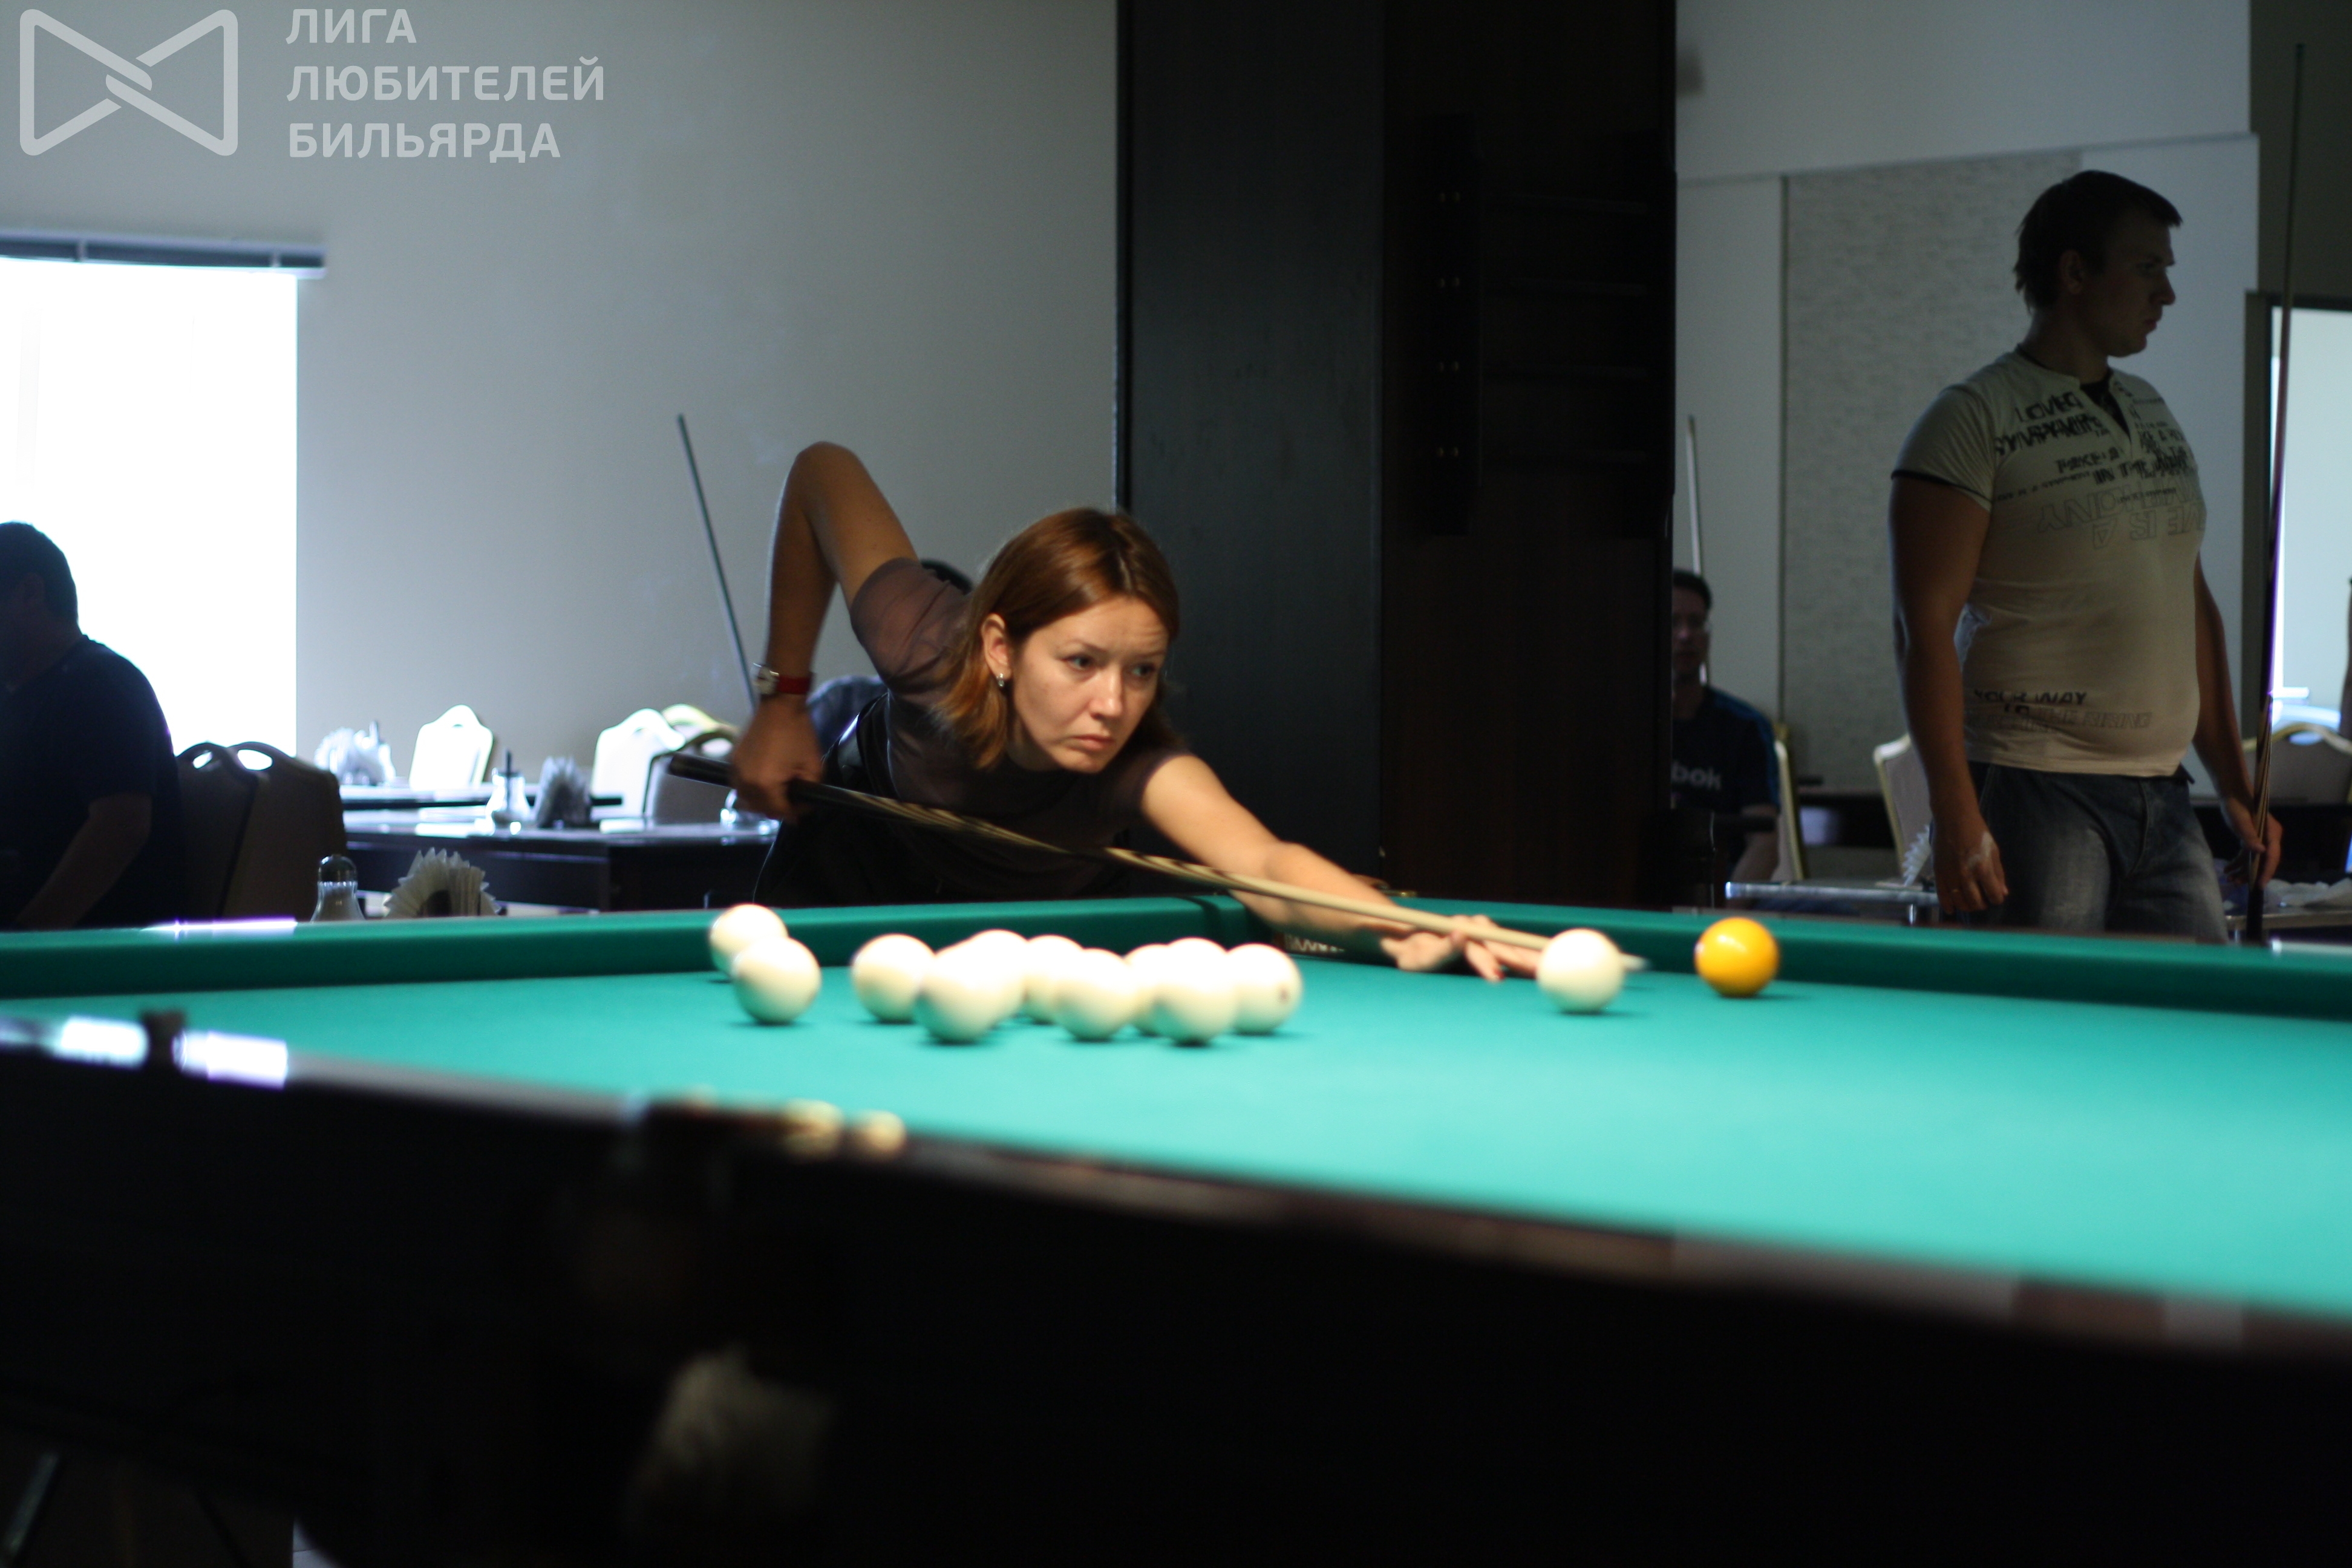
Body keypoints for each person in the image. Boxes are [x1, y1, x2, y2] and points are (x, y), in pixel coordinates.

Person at [730, 442, 1533, 978]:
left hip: (1032, 939)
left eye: (1142, 670)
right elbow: (822, 471)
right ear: (1001, 648)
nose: (1113, 705)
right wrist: (783, 702)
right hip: (854, 875)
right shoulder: (925, 640)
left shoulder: (1135, 767)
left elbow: (1263, 863)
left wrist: (1400, 927)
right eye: (1081, 663)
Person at [1887, 171, 2279, 939]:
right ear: (2074, 273)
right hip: (2036, 786)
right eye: (2147, 268)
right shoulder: (1971, 418)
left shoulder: (2152, 409)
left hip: (2163, 795)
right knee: (2042, 1013)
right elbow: (1921, 628)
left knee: (2189, 1009)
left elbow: (2188, 602)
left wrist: (2235, 784)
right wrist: (1955, 810)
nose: (2167, 293)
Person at [0, 522, 186, 929]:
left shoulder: (100, 686)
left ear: (30, 593)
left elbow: (122, 825)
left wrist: (26, 943)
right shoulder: (20, 695)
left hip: (87, 953)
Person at [1670, 569, 1778, 884]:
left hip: (1723, 891)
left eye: (1696, 622)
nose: (1686, 635)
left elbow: (1764, 846)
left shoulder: (1745, 727)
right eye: (1673, 622)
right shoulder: (1622, 723)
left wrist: (1725, 909)